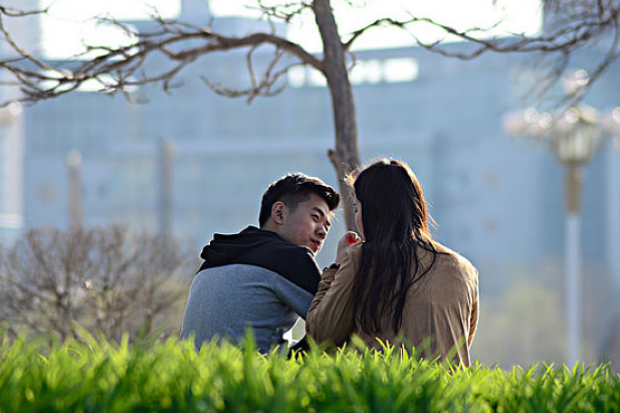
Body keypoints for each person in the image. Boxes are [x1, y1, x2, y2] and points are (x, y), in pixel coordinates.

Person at [306, 159, 479, 366]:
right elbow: (458, 344)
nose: (357, 217)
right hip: (446, 396)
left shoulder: (361, 258)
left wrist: (336, 268)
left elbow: (323, 336)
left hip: (386, 396)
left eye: (357, 208)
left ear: (373, 212)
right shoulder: (464, 269)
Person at [181, 173, 340, 353]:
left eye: (327, 226)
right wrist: (342, 268)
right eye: (315, 218)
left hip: (194, 375)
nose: (322, 232)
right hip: (254, 378)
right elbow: (337, 325)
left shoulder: (214, 260)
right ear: (279, 213)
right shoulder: (290, 258)